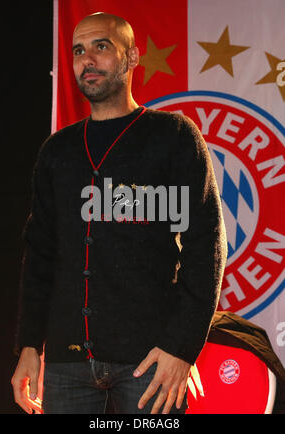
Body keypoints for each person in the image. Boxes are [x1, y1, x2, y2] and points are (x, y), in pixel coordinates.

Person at [11, 12, 227, 414]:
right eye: (78, 50)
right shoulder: (56, 151)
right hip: (66, 365)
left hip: (150, 364)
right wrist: (28, 346)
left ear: (131, 58)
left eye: (101, 46)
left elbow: (207, 246)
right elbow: (39, 256)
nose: (87, 59)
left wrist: (181, 348)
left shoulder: (175, 136)